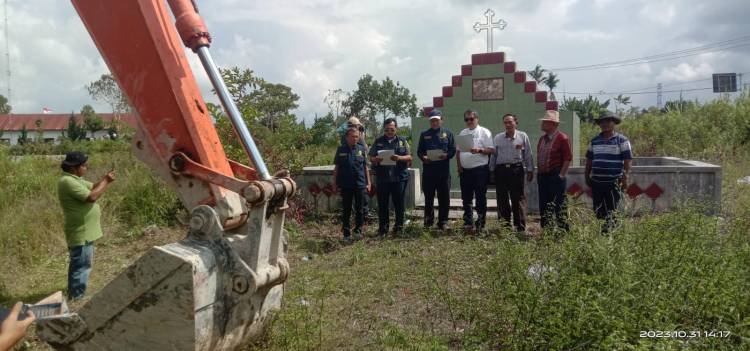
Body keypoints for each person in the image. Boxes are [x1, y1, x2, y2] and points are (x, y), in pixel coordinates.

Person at [58, 151, 116, 300]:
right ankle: (77, 297)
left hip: (85, 230)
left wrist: (104, 179)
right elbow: (91, 197)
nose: (86, 167)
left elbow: (92, 187)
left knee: (81, 263)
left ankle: (75, 293)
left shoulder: (75, 179)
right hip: (80, 231)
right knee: (81, 265)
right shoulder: (67, 181)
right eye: (84, 165)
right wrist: (107, 182)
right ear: (73, 168)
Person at [585, 110, 632, 234]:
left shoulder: (622, 140)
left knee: (613, 210)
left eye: (608, 121)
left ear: (614, 123)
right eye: (602, 122)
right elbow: (589, 160)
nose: (605, 124)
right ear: (599, 124)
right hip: (597, 182)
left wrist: (625, 178)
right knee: (598, 210)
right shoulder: (594, 141)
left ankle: (613, 235)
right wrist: (586, 176)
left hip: (614, 183)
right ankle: (603, 233)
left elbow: (627, 161)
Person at [369, 118, 412, 237]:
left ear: (396, 129)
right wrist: (375, 159)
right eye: (387, 129)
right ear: (384, 129)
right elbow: (371, 157)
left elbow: (409, 157)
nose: (389, 131)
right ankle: (383, 229)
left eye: (392, 129)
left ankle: (399, 228)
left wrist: (399, 158)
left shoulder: (402, 141)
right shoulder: (378, 141)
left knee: (399, 204)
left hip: (399, 178)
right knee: (382, 204)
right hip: (383, 179)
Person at [491, 113, 533, 233]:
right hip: (501, 171)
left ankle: (520, 226)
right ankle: (505, 226)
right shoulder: (498, 138)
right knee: (502, 198)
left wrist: (530, 170)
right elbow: (494, 155)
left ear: (516, 122)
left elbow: (528, 155)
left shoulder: (522, 136)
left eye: (510, 122)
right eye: (505, 122)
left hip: (516, 170)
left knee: (518, 198)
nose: (508, 124)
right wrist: (492, 171)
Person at [416, 109, 456, 230]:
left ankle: (443, 222)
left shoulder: (448, 133)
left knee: (444, 198)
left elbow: (452, 150)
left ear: (441, 121)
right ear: (430, 122)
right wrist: (423, 157)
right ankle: (428, 222)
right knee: (428, 199)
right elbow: (419, 151)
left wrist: (446, 155)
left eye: (436, 120)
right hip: (429, 172)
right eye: (432, 120)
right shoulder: (424, 134)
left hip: (443, 172)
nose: (434, 122)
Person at [456, 109, 494, 233]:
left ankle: (481, 223)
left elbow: (491, 150)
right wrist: (459, 166)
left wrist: (479, 150)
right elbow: (458, 151)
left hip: (480, 171)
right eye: (466, 119)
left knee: (480, 197)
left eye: (471, 119)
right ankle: (468, 222)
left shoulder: (484, 132)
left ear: (477, 119)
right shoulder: (462, 132)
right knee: (466, 198)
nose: (469, 121)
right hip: (465, 171)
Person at [536, 110, 573, 232]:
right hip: (543, 175)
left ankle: (563, 230)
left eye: (545, 122)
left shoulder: (562, 138)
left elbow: (568, 158)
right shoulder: (542, 139)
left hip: (555, 174)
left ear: (553, 124)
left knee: (559, 204)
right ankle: (547, 230)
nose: (542, 124)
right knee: (544, 204)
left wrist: (561, 175)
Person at [333, 128, 372, 241]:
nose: (355, 139)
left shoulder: (361, 149)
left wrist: (368, 183)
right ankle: (346, 233)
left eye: (357, 136)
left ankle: (358, 231)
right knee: (346, 210)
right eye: (352, 136)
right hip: (346, 185)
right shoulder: (341, 149)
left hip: (360, 184)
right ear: (347, 137)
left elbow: (365, 167)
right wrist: (334, 183)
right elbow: (337, 168)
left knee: (360, 209)